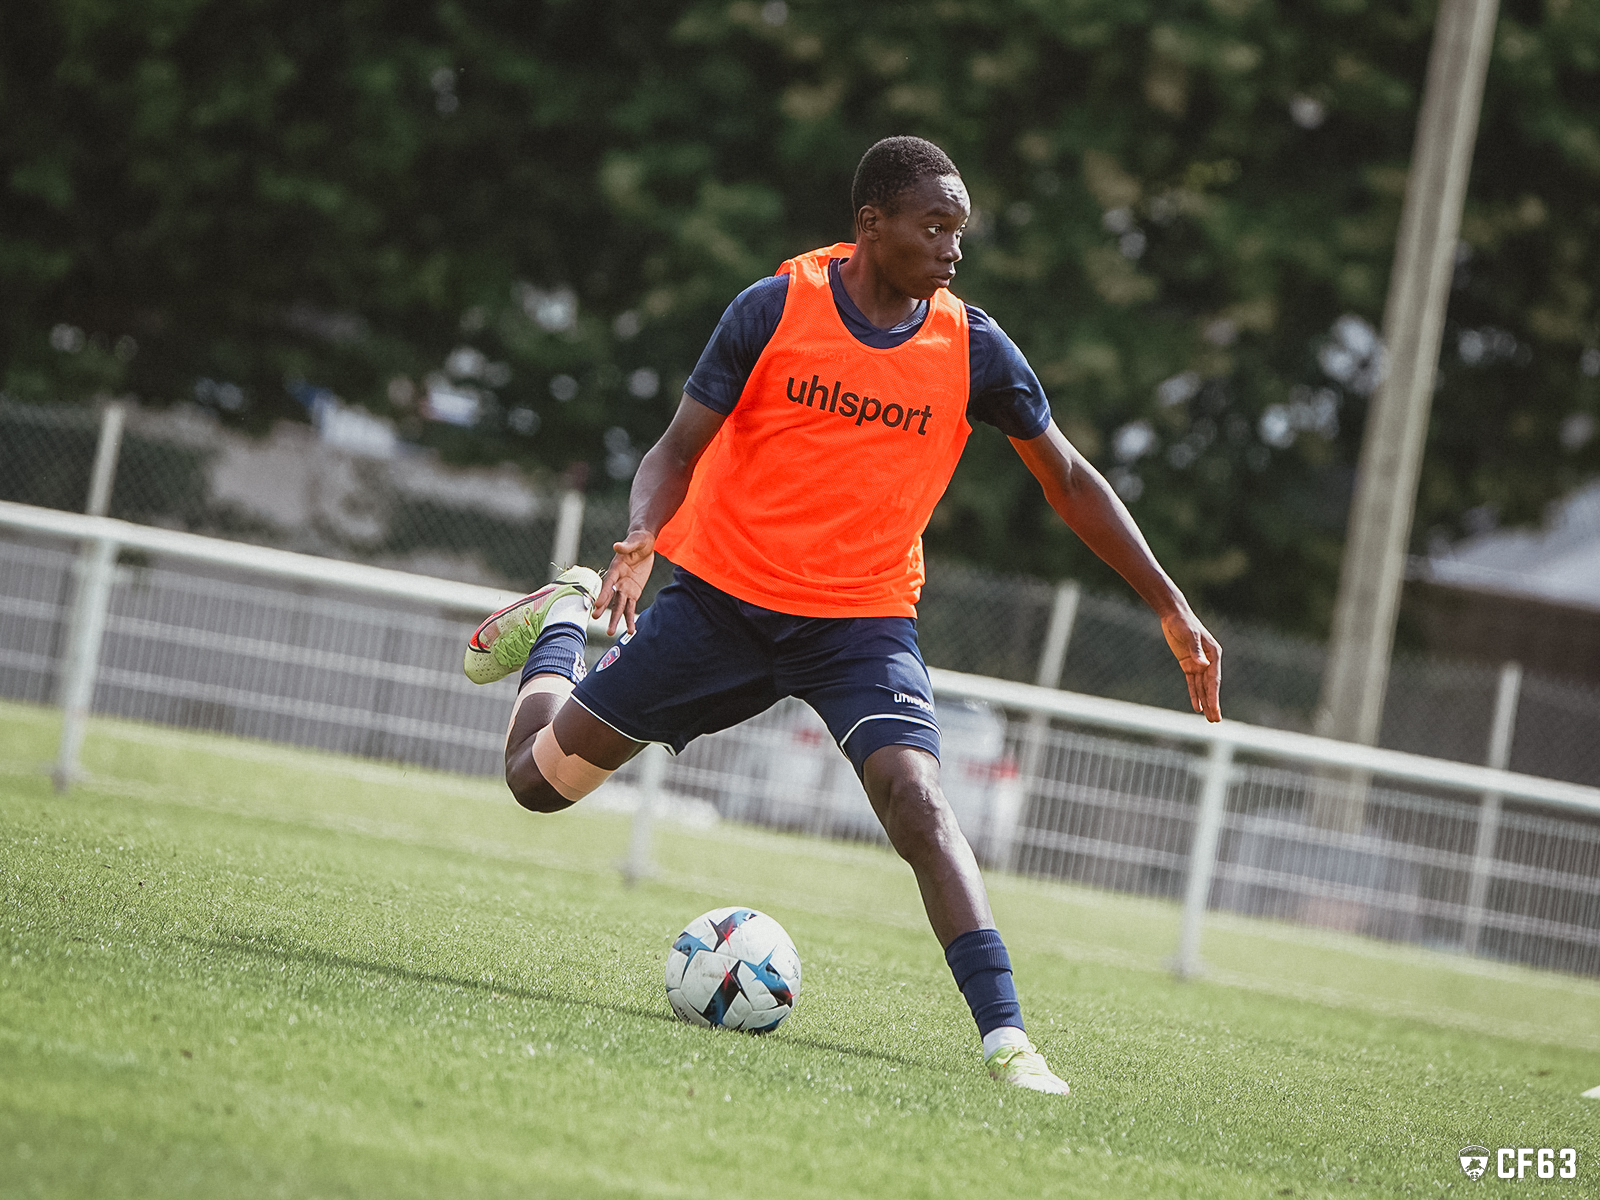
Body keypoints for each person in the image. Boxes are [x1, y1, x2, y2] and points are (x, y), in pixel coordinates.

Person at [464, 136, 1222, 1096]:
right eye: (934, 227)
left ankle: (1007, 1041)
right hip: (722, 602)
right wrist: (640, 535)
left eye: (962, 231)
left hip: (859, 623)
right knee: (539, 786)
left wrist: (1171, 603)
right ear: (872, 225)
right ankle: (564, 620)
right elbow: (674, 447)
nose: (953, 249)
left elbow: (1067, 480)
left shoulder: (973, 347)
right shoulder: (773, 309)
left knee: (918, 800)